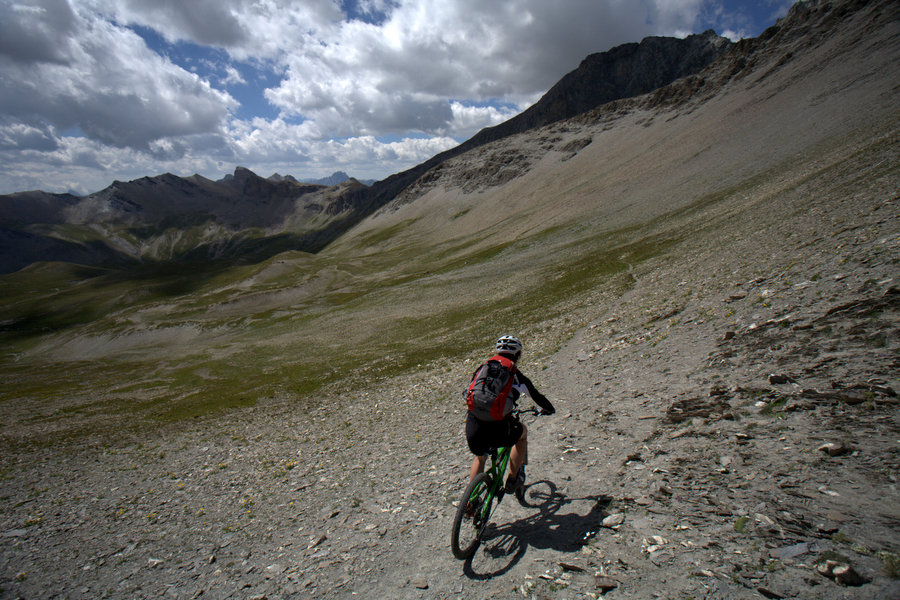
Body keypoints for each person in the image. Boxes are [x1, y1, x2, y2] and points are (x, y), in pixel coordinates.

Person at [465, 335, 555, 494]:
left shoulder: (483, 369)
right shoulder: (516, 375)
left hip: (474, 425)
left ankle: (470, 502)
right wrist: (549, 409)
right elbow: (537, 396)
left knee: (480, 457)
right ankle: (513, 479)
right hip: (499, 427)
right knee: (522, 434)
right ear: (517, 354)